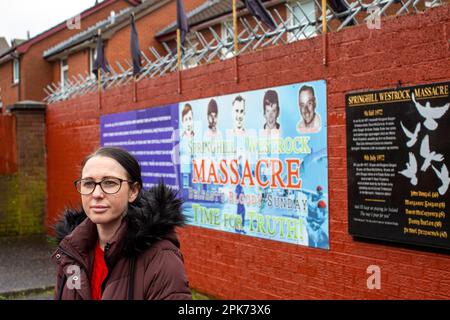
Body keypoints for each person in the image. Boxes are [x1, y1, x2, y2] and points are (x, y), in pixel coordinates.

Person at [51, 147, 191, 300]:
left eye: (110, 183)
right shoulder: (72, 252)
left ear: (133, 191)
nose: (97, 194)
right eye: (88, 183)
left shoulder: (161, 258)